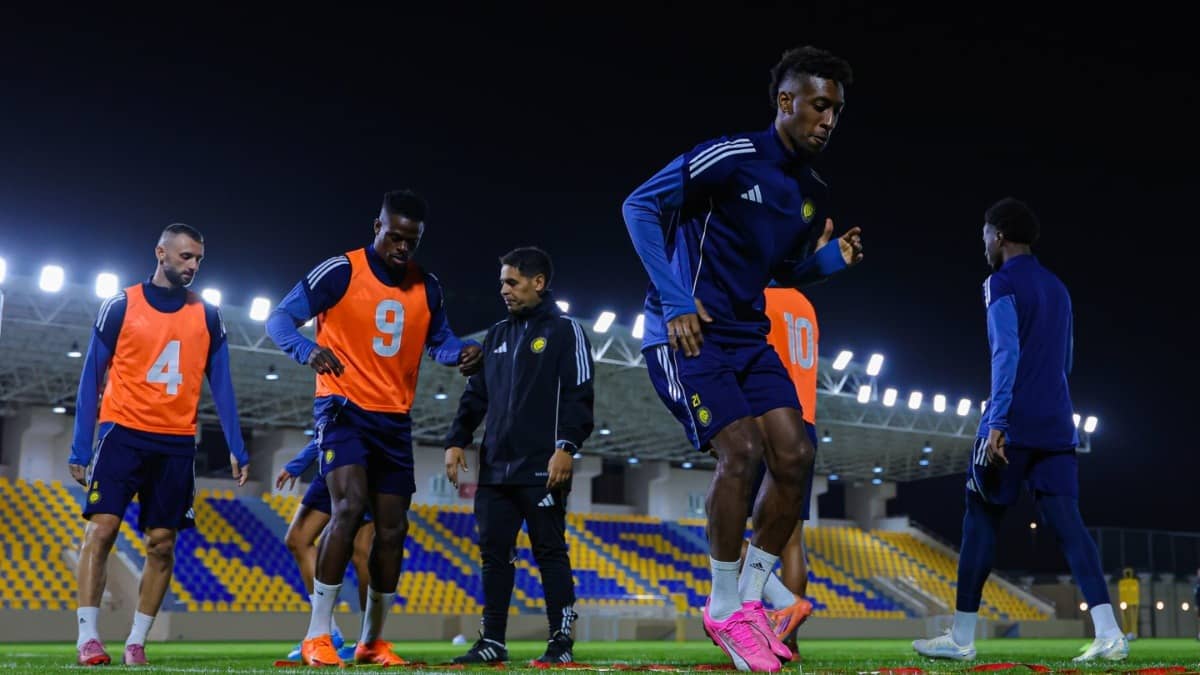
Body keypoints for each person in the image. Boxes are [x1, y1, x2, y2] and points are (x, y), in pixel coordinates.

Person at [623, 45, 861, 672]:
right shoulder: (732, 157)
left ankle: (752, 594)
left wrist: (824, 266)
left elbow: (779, 270)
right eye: (818, 106)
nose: (828, 120)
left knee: (796, 455)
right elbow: (638, 206)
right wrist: (675, 300)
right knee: (742, 451)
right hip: (688, 333)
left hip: (748, 338)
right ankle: (728, 607)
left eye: (836, 110)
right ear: (785, 102)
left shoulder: (809, 193)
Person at [266, 189, 482, 667]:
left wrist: (462, 352)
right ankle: (317, 635)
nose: (402, 247)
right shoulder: (341, 270)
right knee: (346, 506)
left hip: (394, 420)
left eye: (412, 240)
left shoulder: (428, 286)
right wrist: (307, 350)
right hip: (342, 409)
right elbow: (278, 317)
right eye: (394, 236)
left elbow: (440, 342)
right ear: (377, 227)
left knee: (392, 529)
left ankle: (372, 641)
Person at [912, 198, 1127, 663]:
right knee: (1070, 525)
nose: (983, 243)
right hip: (1057, 421)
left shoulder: (1000, 282)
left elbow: (1004, 354)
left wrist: (997, 421)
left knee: (980, 518)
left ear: (1000, 236)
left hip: (1014, 423)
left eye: (985, 235)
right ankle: (1110, 635)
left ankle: (961, 638)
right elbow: (1066, 361)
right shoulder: (1059, 287)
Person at [68, 223, 249, 667]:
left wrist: (236, 446)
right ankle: (88, 637)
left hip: (175, 443)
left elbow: (222, 383)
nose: (193, 266)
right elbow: (91, 375)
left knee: (162, 543)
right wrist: (79, 446)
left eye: (199, 259)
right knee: (103, 528)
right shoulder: (120, 304)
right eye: (186, 257)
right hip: (121, 434)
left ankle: (136, 640)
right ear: (161, 254)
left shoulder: (207, 314)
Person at [444, 247, 594, 666]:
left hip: (542, 467)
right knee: (493, 554)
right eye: (502, 283)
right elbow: (476, 396)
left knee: (549, 552)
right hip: (495, 470)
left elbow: (580, 394)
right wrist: (456, 440)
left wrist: (566, 447)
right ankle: (493, 640)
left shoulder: (566, 331)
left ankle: (560, 644)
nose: (503, 290)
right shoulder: (495, 336)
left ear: (538, 282)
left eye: (511, 282)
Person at [756, 287, 820, 656]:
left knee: (728, 533)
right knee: (794, 541)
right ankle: (790, 640)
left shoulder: (760, 297)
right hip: (806, 422)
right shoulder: (804, 304)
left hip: (770, 418)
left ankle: (773, 610)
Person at [275, 439, 375, 661]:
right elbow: (328, 424)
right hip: (330, 457)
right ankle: (326, 630)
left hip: (358, 460)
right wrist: (298, 463)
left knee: (361, 552)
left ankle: (368, 642)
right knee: (297, 538)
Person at [1117, 567, 1139, 640]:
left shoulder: (1134, 582)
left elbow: (1136, 593)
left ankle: (1134, 634)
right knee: (1125, 620)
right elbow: (1121, 593)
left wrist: (1136, 602)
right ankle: (1126, 633)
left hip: (1133, 603)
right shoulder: (1122, 583)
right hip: (1124, 603)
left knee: (1133, 620)